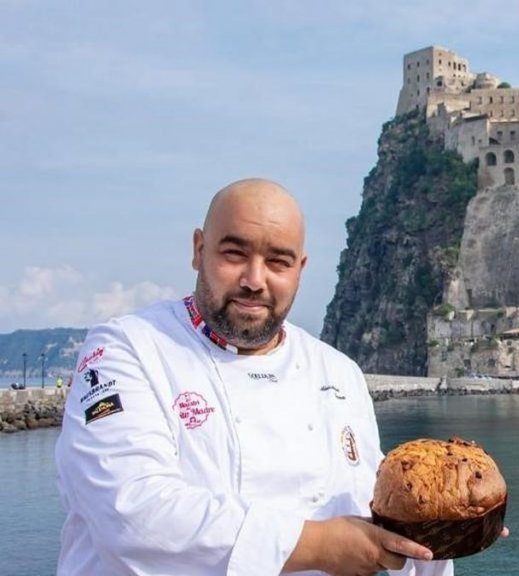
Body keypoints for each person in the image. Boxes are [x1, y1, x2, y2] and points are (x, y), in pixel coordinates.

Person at [55, 178, 457, 575]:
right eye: (234, 254)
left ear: (300, 269)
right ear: (199, 250)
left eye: (278, 262)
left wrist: (448, 528)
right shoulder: (125, 350)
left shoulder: (338, 372)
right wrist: (318, 546)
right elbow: (133, 514)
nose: (254, 280)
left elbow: (378, 508)